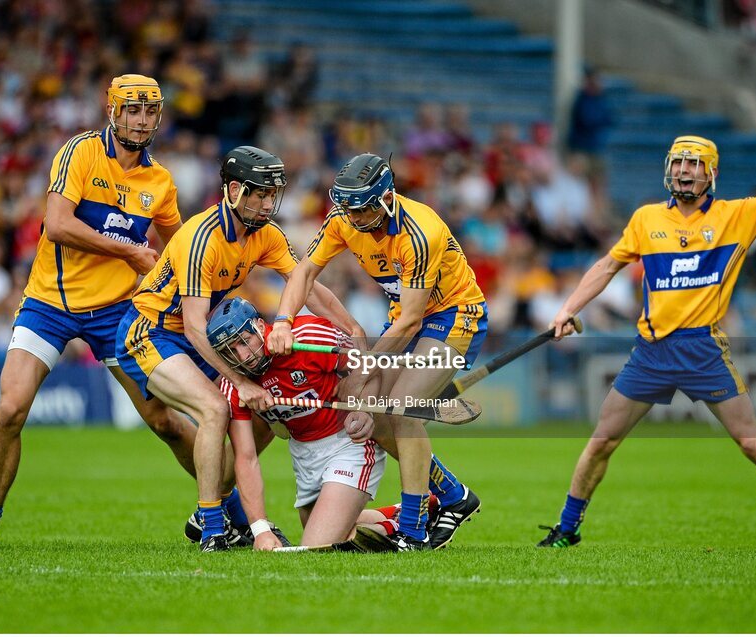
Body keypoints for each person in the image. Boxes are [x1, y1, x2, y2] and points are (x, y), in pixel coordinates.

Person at [539, 133, 756, 551]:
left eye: (693, 165)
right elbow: (606, 266)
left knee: (752, 443)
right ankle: (568, 528)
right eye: (678, 163)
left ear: (711, 173)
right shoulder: (646, 219)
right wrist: (568, 308)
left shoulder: (736, 216)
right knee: (602, 443)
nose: (684, 172)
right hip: (651, 352)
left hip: (703, 350)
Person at [0, 75, 194, 550]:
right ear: (112, 111)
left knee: (164, 420)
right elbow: (58, 226)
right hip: (49, 303)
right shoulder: (79, 153)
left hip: (117, 312)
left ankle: (234, 515)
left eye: (150, 112)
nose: (141, 121)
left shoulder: (159, 181)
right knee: (11, 408)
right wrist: (131, 252)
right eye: (132, 110)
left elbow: (179, 250)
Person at [115, 146, 360, 552]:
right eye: (259, 194)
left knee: (262, 413)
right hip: (153, 331)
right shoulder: (201, 238)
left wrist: (350, 328)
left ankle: (217, 513)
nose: (267, 203)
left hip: (206, 337)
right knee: (215, 409)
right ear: (232, 190)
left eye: (271, 194)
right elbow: (193, 327)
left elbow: (307, 286)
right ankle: (213, 526)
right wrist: (239, 382)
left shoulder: (265, 233)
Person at [268, 153, 485, 550]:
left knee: (401, 410)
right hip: (403, 315)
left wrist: (368, 363)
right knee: (355, 399)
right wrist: (283, 318)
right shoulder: (341, 220)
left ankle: (414, 530)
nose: (353, 217)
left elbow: (413, 321)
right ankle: (454, 495)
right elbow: (304, 272)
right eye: (347, 207)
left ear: (386, 198)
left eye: (362, 207)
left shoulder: (420, 233)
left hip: (452, 317)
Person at [210, 297, 471, 551]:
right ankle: (399, 517)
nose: (243, 355)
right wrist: (260, 529)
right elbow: (245, 458)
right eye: (230, 351)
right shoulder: (237, 383)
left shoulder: (309, 335)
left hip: (348, 444)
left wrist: (364, 410)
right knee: (334, 533)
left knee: (315, 546)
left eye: (244, 341)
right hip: (304, 456)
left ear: (258, 325)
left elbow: (367, 366)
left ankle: (413, 518)